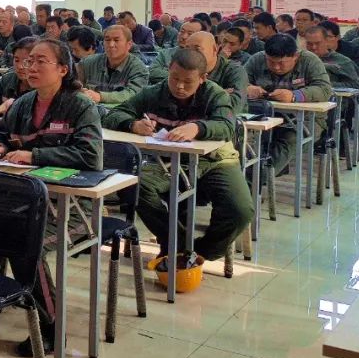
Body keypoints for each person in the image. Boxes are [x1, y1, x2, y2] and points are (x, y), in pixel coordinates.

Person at [0, 38, 103, 355]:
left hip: (72, 209)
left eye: (40, 61)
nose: (30, 67)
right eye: (28, 61)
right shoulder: (23, 104)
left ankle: (51, 328)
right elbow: (3, 138)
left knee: (26, 245)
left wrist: (34, 156)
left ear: (63, 69)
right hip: (26, 205)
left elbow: (90, 156)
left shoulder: (80, 106)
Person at [103, 48, 251, 268]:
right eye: (174, 78)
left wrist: (198, 128)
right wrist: (133, 124)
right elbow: (115, 114)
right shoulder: (154, 92)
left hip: (215, 161)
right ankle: (178, 246)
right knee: (132, 185)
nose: (180, 86)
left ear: (203, 78)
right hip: (167, 162)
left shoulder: (215, 94)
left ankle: (201, 251)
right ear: (169, 71)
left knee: (240, 209)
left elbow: (227, 126)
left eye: (188, 82)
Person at [244, 33, 333, 177]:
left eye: (281, 63)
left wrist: (294, 96)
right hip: (267, 118)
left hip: (305, 120)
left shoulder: (310, 60)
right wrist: (247, 88)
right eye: (271, 62)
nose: (276, 67)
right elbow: (238, 83)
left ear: (295, 56)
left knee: (288, 141)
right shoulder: (257, 59)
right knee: (242, 140)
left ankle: (256, 179)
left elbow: (324, 89)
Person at [79, 25, 149, 106]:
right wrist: (80, 91)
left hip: (123, 112)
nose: (111, 44)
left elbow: (133, 94)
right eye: (107, 40)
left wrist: (100, 96)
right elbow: (74, 85)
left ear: (129, 44)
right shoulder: (87, 63)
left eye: (116, 40)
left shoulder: (139, 68)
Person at [183, 30, 248, 114]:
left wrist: (194, 95)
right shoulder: (183, 69)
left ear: (214, 49)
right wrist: (219, 94)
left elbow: (233, 106)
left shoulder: (235, 71)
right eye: (187, 49)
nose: (191, 54)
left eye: (197, 49)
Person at [0, 36, 36, 118]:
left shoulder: (44, 86)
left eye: (27, 61)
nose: (20, 66)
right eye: (16, 60)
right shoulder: (7, 79)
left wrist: (12, 106)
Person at [303, 26, 359, 91]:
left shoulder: (342, 61)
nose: (313, 47)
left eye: (317, 43)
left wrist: (326, 85)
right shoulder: (300, 60)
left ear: (326, 41)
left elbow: (355, 86)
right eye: (309, 44)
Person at [148, 20, 204, 84]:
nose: (184, 37)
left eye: (190, 34)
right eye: (182, 32)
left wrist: (167, 72)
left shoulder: (203, 56)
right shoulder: (165, 53)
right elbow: (152, 72)